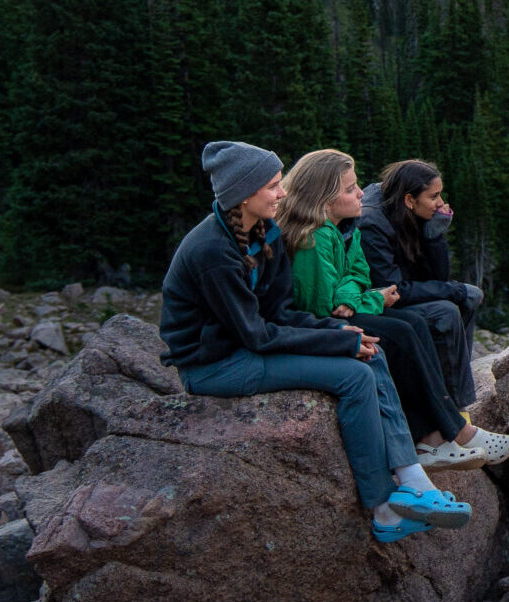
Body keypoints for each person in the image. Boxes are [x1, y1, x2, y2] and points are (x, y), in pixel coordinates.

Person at [160, 141, 471, 544]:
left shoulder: (263, 232)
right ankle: (384, 510)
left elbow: (281, 312)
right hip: (216, 364)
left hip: (245, 345)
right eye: (272, 186)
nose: (282, 193)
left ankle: (414, 482)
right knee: (354, 378)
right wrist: (334, 343)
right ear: (243, 193)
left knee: (368, 350)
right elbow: (255, 334)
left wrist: (340, 332)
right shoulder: (213, 252)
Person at [281, 148, 509, 472]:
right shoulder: (316, 238)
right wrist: (369, 299)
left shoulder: (346, 227)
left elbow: (356, 275)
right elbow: (324, 306)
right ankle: (456, 429)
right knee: (405, 330)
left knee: (414, 326)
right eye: (350, 189)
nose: (361, 192)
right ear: (324, 199)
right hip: (323, 323)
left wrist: (352, 295)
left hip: (351, 307)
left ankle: (437, 434)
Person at [355, 159, 484, 422]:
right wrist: (452, 290)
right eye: (433, 196)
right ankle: (454, 414)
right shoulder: (372, 224)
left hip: (400, 292)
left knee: (467, 299)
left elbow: (438, 277)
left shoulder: (407, 209)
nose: (440, 202)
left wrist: (435, 235)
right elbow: (393, 289)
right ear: (409, 200)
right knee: (446, 311)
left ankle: (454, 400)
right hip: (374, 303)